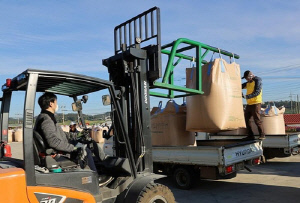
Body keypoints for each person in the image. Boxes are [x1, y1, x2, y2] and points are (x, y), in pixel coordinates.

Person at [34, 92, 97, 171]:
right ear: (51, 104)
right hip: (56, 153)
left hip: (57, 149)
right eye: (56, 102)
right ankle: (95, 175)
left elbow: (61, 134)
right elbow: (53, 141)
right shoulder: (47, 120)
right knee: (86, 150)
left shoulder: (47, 117)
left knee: (87, 144)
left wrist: (77, 135)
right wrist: (73, 148)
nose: (57, 105)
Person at [242, 70, 265, 140]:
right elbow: (239, 86)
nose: (246, 80)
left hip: (256, 103)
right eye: (245, 79)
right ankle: (250, 135)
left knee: (257, 119)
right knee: (246, 119)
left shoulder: (258, 80)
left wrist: (247, 97)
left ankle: (262, 135)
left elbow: (257, 92)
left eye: (247, 78)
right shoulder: (248, 83)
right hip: (249, 104)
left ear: (251, 76)